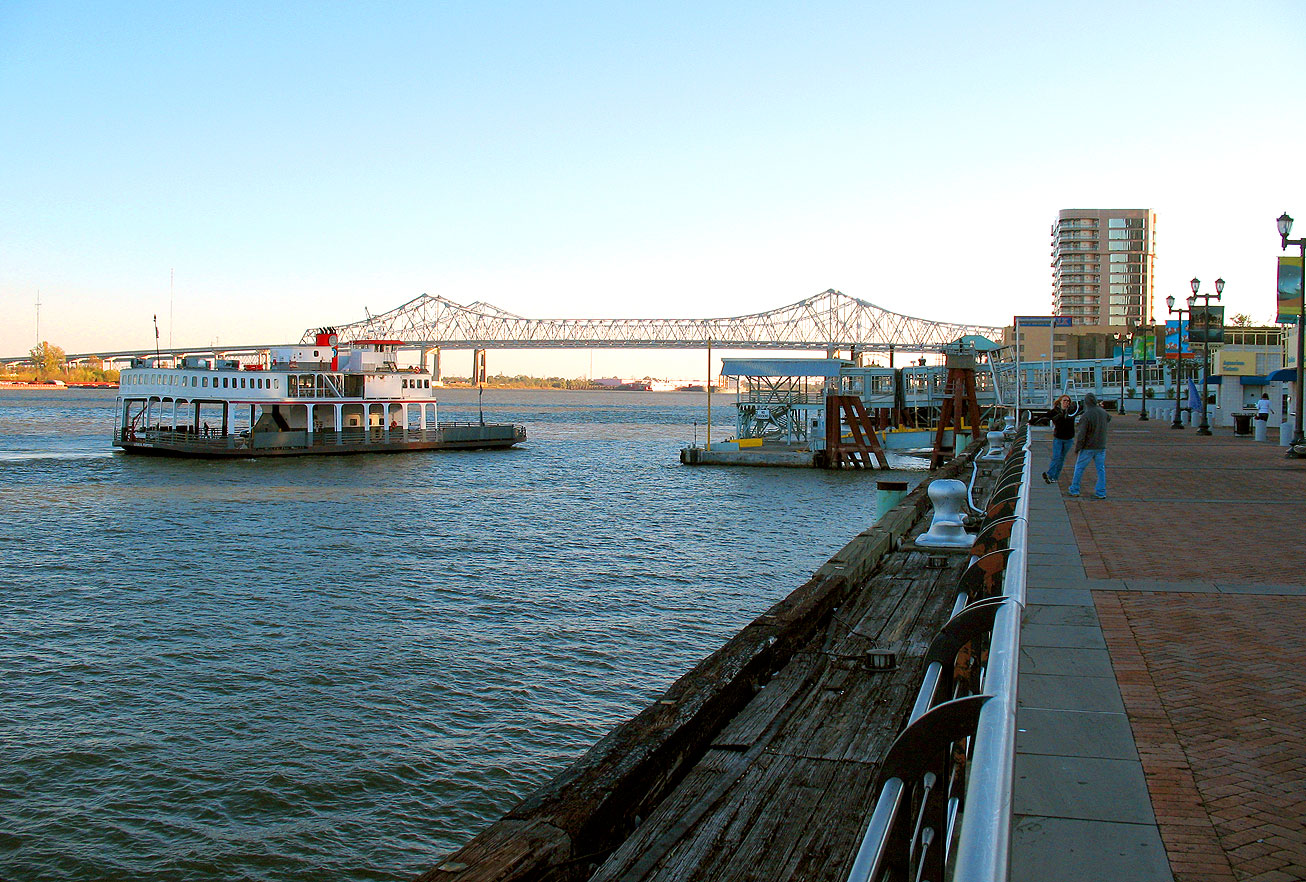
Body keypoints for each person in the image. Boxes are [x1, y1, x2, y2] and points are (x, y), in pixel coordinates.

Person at [1068, 392, 1110, 499]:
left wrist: (1078, 447)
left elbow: (1082, 434)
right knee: (1101, 469)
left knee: (1079, 468)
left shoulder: (1086, 415)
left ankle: (1075, 489)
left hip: (1088, 447)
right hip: (1101, 446)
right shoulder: (1103, 412)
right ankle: (1101, 492)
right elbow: (1108, 418)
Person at [1041, 394, 1078, 484]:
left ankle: (1055, 477)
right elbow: (1045, 417)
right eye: (1064, 400)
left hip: (1069, 439)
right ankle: (1050, 474)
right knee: (1056, 457)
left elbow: (1081, 409)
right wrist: (1031, 421)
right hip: (1058, 438)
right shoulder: (1055, 411)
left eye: (1068, 401)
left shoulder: (1071, 411)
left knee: (1061, 458)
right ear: (1060, 401)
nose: (1066, 403)